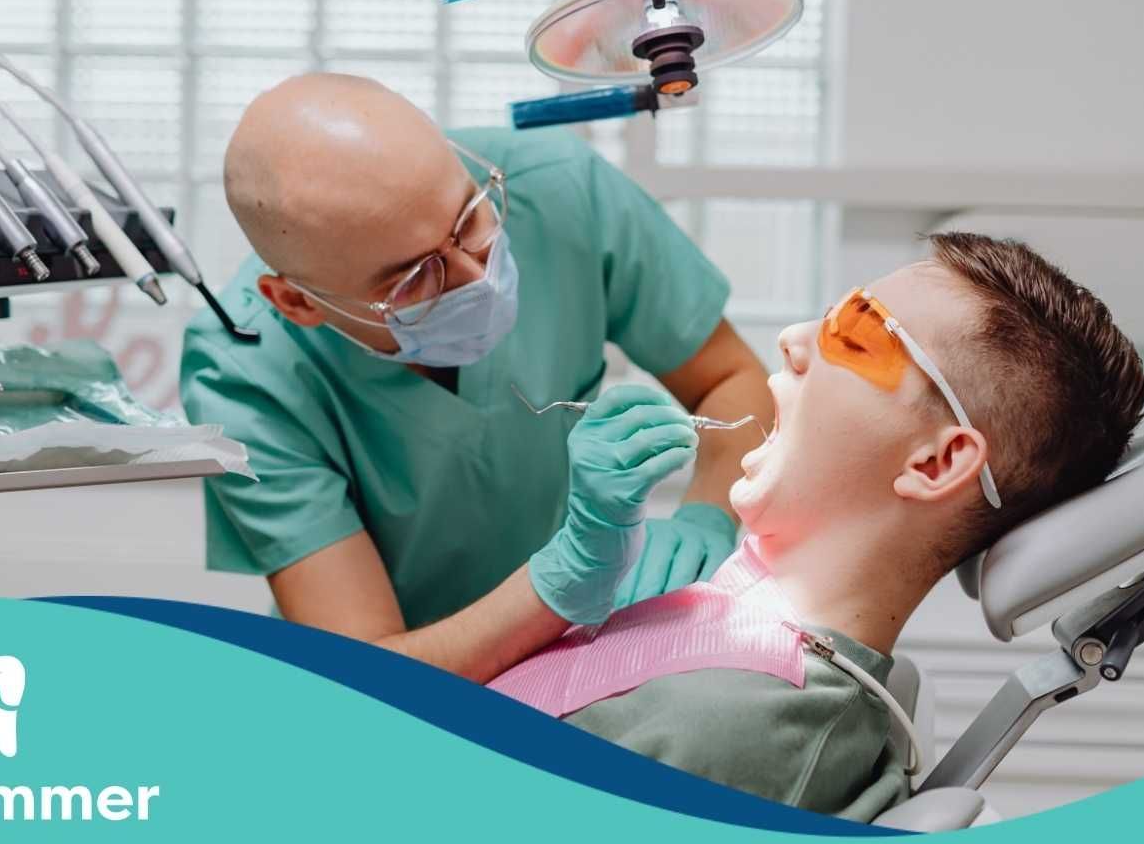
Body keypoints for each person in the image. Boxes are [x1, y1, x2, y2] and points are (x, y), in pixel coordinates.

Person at [487, 232, 1144, 822]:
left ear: (938, 462)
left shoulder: (732, 730)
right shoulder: (723, 614)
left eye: (854, 335)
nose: (794, 338)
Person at [180, 74, 773, 680]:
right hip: (412, 695)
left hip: (581, 651)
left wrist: (706, 518)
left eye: (468, 221)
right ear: (297, 303)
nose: (476, 275)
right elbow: (367, 671)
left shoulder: (560, 190)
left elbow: (730, 378)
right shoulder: (242, 371)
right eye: (414, 277)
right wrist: (565, 576)